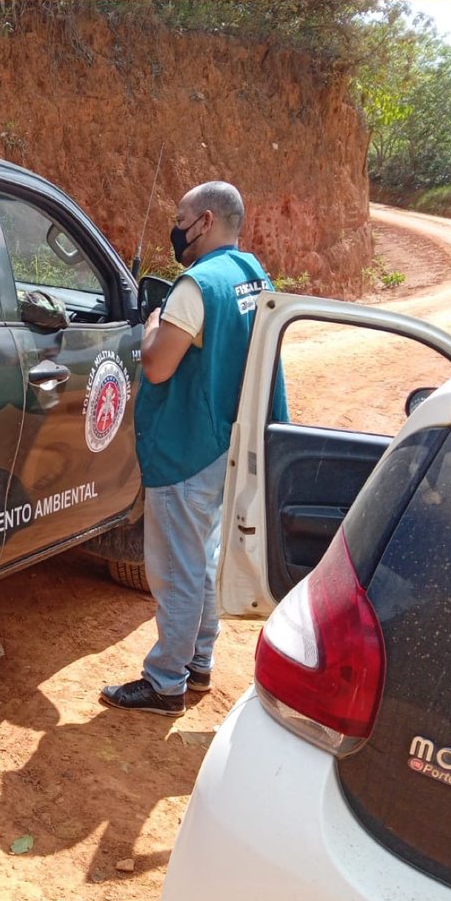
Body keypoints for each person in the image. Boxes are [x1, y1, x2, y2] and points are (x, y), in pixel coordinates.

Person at [100, 180, 287, 717]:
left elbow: (158, 365)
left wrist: (152, 325)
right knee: (201, 558)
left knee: (175, 570)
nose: (175, 227)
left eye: (180, 218)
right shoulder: (252, 275)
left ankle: (165, 684)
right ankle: (198, 663)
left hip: (186, 446)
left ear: (205, 221)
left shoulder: (195, 286)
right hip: (229, 443)